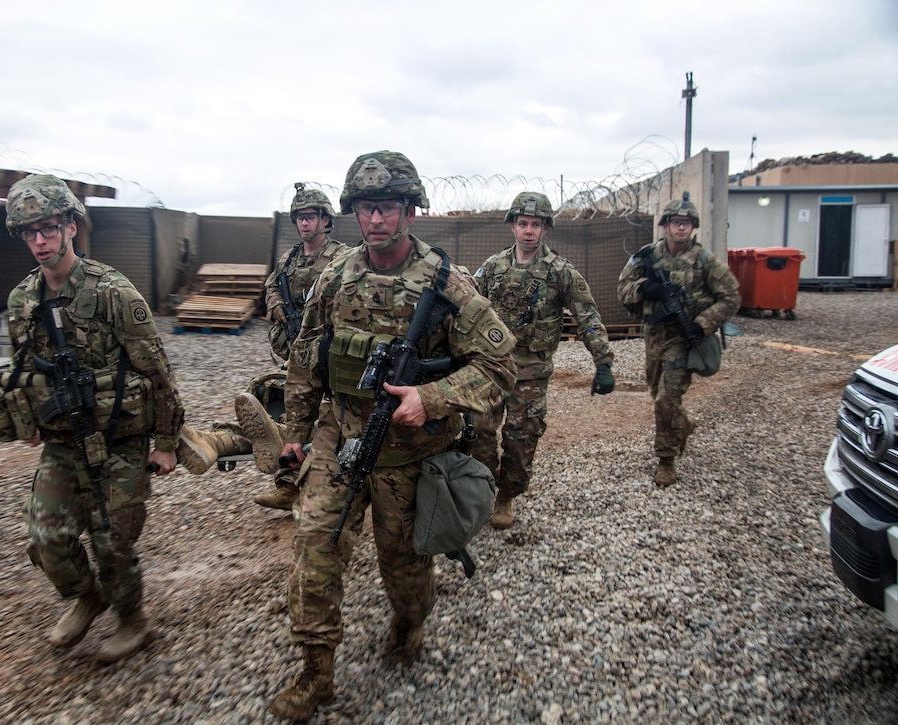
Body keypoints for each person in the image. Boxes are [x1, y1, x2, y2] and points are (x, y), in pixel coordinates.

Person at [266, 151, 517, 720]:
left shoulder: (449, 283)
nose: (376, 219)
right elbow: (307, 358)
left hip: (413, 451)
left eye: (387, 207)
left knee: (403, 569)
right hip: (342, 437)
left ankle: (409, 622)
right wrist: (296, 432)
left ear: (409, 209)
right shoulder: (336, 276)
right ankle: (315, 672)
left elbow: (499, 368)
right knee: (315, 550)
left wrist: (430, 398)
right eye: (366, 208)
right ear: (353, 213)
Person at [0, 174, 240, 663]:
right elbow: (22, 371)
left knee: (113, 542)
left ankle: (133, 619)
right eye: (28, 231)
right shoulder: (23, 300)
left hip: (120, 439)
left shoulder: (113, 292)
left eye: (46, 227)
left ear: (69, 225)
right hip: (64, 442)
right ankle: (87, 596)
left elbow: (157, 371)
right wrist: (26, 419)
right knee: (47, 537)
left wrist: (167, 441)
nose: (39, 240)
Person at [471, 192, 615, 529]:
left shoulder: (560, 272)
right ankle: (484, 484)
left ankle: (506, 495)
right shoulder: (493, 267)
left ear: (545, 229)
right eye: (523, 223)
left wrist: (603, 362)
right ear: (513, 227)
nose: (528, 231)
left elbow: (587, 314)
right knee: (476, 429)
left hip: (531, 373)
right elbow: (469, 309)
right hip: (492, 367)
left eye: (536, 225)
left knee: (521, 439)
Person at [617, 192, 740, 486]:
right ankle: (682, 424)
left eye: (686, 223)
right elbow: (623, 289)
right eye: (675, 222)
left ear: (693, 226)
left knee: (666, 398)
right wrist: (646, 288)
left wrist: (702, 323)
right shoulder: (647, 256)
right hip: (655, 336)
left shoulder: (704, 260)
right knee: (656, 392)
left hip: (685, 338)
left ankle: (666, 460)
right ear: (665, 225)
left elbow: (732, 295)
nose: (680, 228)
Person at [236, 182, 346, 510]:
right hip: (295, 353)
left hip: (328, 353)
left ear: (326, 220)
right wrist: (274, 305)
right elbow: (272, 283)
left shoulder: (341, 257)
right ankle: (288, 485)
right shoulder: (290, 257)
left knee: (328, 419)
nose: (304, 223)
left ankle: (322, 491)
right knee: (294, 412)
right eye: (299, 217)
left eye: (311, 216)